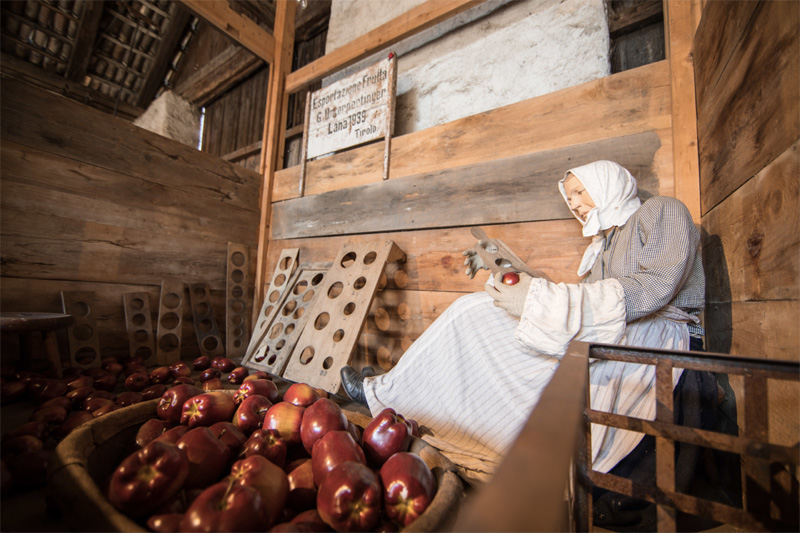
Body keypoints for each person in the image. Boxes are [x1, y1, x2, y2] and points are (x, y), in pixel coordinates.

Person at [340, 160, 706, 484]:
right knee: (478, 312)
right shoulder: (603, 249)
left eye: (579, 192)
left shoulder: (661, 211)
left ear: (607, 183)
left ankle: (389, 397)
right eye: (569, 198)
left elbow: (654, 287)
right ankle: (394, 396)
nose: (574, 204)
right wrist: (502, 265)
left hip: (656, 334)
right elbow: (583, 305)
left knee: (475, 314)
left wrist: (541, 301)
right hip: (621, 328)